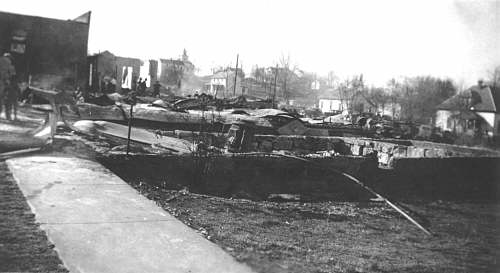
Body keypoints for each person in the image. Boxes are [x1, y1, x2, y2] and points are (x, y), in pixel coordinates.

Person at [0, 53, 16, 119]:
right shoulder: (10, 64)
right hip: (3, 82)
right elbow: (13, 74)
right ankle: (7, 115)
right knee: (6, 98)